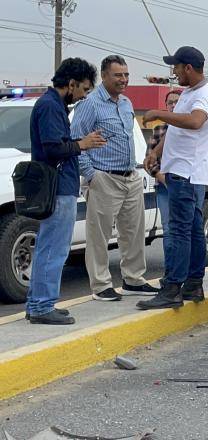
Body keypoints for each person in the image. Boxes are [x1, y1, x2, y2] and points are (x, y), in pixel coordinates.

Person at [137, 46, 208, 310]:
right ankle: (194, 285)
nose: (173, 72)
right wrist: (157, 152)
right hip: (181, 172)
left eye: (176, 66)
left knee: (180, 232)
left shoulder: (205, 94)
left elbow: (195, 122)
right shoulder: (189, 93)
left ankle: (172, 288)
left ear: (188, 68)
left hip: (186, 174)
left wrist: (159, 113)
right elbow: (177, 130)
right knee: (193, 231)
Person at [27, 58, 106, 325]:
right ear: (70, 84)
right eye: (83, 89)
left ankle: (38, 303)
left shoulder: (54, 105)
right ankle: (41, 306)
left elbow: (59, 143)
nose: (84, 96)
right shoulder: (50, 106)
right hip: (58, 188)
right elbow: (52, 148)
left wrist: (79, 144)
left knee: (48, 247)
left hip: (60, 186)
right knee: (54, 249)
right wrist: (82, 144)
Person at [72, 55, 158, 301]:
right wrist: (92, 175)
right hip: (104, 178)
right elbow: (76, 141)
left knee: (133, 232)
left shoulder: (126, 103)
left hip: (130, 176)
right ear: (104, 76)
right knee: (98, 235)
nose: (124, 80)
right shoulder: (90, 104)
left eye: (126, 75)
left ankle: (133, 280)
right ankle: (100, 286)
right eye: (118, 75)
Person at [147, 89, 181, 233]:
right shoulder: (159, 130)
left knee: (187, 227)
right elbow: (149, 161)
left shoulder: (192, 128)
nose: (173, 105)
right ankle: (171, 257)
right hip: (164, 187)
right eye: (170, 103)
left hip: (187, 185)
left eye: (177, 102)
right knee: (168, 228)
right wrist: (164, 180)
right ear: (166, 106)